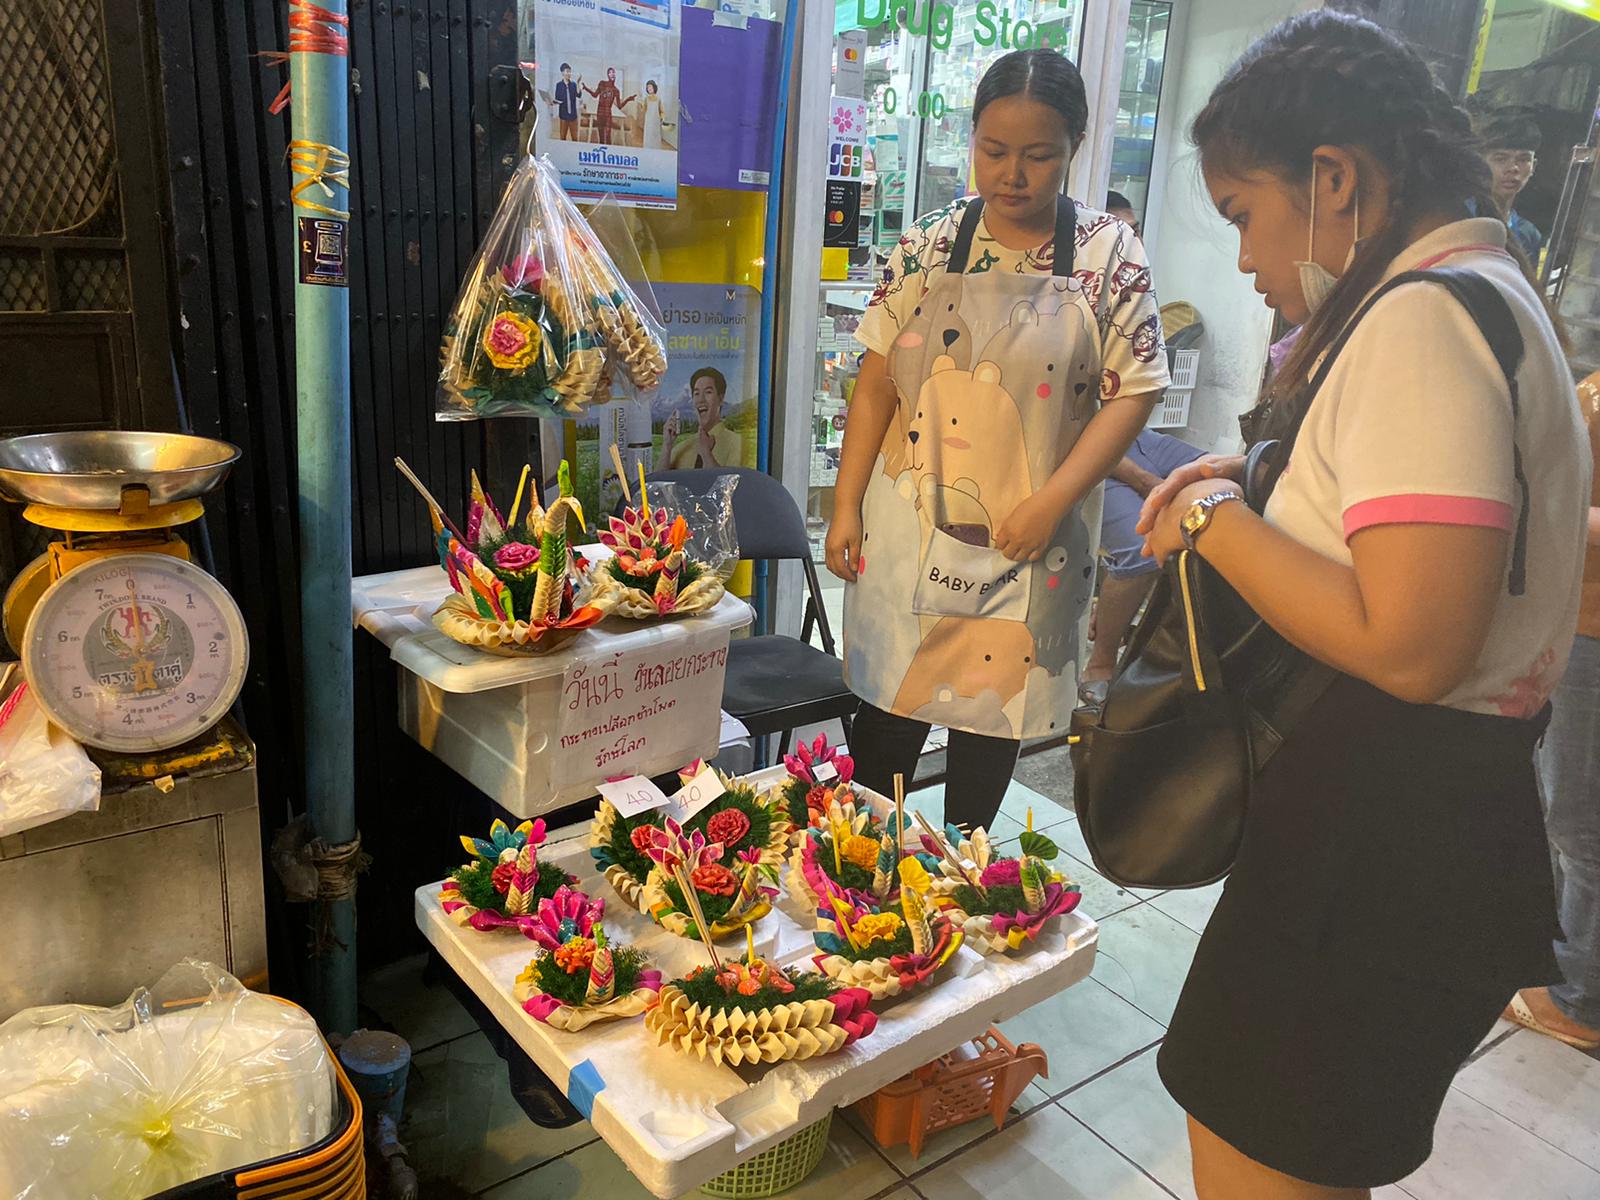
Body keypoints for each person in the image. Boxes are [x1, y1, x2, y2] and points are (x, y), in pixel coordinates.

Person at [1137, 12, 1585, 1198]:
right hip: (1417, 824)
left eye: (1242, 215)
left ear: (1334, 179)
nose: (1241, 260)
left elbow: (1412, 641)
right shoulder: (1485, 291)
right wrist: (1251, 479)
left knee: (1259, 1161)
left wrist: (1209, 524)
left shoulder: (1420, 321)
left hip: (1379, 829)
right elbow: (1410, 531)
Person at [825, 48, 1169, 831]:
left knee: (992, 720)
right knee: (889, 719)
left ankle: (960, 888)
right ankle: (867, 892)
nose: (1013, 174)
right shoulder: (926, 245)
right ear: (972, 139)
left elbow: (1135, 390)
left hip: (1032, 540)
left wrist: (1053, 501)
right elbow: (876, 385)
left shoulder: (1108, 256)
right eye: (994, 151)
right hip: (909, 529)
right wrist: (845, 505)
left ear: (1073, 147)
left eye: (1038, 154)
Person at [1505, 367, 1600, 1053]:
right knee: (1562, 810)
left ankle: (1579, 1000)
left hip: (1597, 632)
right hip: (1576, 622)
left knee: (1580, 822)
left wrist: (1546, 502)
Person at [1078, 430, 1204, 704]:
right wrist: (1144, 481)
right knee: (1141, 552)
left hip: (1135, 438)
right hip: (1080, 451)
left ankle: (1162, 649)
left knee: (1228, 492)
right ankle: (1100, 664)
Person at [1478, 111, 1544, 263]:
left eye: (1523, 159)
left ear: (1534, 166)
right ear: (1480, 162)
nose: (1513, 168)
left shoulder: (1529, 234)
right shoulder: (1459, 217)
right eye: (1500, 158)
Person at [657, 367, 742, 470]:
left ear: (721, 398)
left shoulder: (737, 444)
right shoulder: (681, 448)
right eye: (696, 393)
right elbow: (659, 481)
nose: (701, 400)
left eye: (708, 392)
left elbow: (734, 484)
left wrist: (706, 453)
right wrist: (667, 445)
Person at [583, 68, 635, 147]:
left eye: (613, 72)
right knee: (601, 137)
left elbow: (619, 106)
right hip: (600, 113)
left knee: (607, 137)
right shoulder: (602, 83)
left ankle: (609, 153)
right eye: (610, 72)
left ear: (615, 75)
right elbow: (595, 95)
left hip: (608, 114)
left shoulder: (616, 90)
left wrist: (628, 99)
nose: (612, 74)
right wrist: (586, 88)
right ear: (608, 75)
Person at [552, 63, 581, 142]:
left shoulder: (574, 85)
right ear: (562, 73)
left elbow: (579, 95)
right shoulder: (559, 85)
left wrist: (578, 82)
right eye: (567, 71)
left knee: (575, 138)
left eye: (570, 72)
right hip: (563, 116)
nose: (569, 74)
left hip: (573, 116)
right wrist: (552, 102)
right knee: (562, 137)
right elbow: (557, 99)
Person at [639, 80, 666, 150]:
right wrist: (640, 103)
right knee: (648, 136)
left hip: (656, 122)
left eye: (650, 87)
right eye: (648, 87)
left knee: (655, 136)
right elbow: (643, 110)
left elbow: (662, 111)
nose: (649, 88)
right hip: (648, 122)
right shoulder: (646, 99)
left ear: (654, 87)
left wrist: (662, 118)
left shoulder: (658, 99)